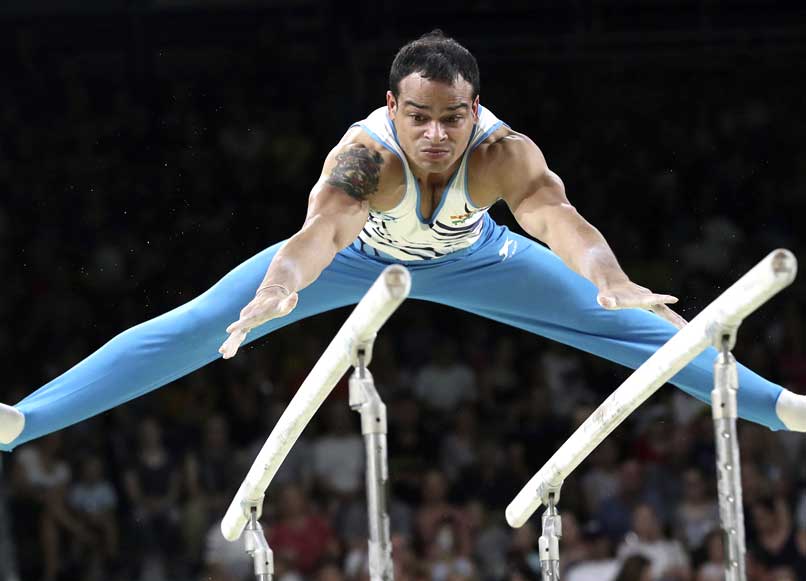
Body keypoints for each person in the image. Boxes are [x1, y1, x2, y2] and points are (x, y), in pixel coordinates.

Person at [2, 29, 805, 451]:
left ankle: (782, 409)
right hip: (356, 261)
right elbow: (317, 236)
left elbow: (558, 219)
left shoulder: (502, 152)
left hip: (478, 258)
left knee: (637, 326)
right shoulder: (366, 161)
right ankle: (25, 421)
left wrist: (611, 273)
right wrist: (282, 286)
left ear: (475, 107)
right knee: (204, 321)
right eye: (417, 115)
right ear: (391, 105)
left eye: (452, 116)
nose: (434, 132)